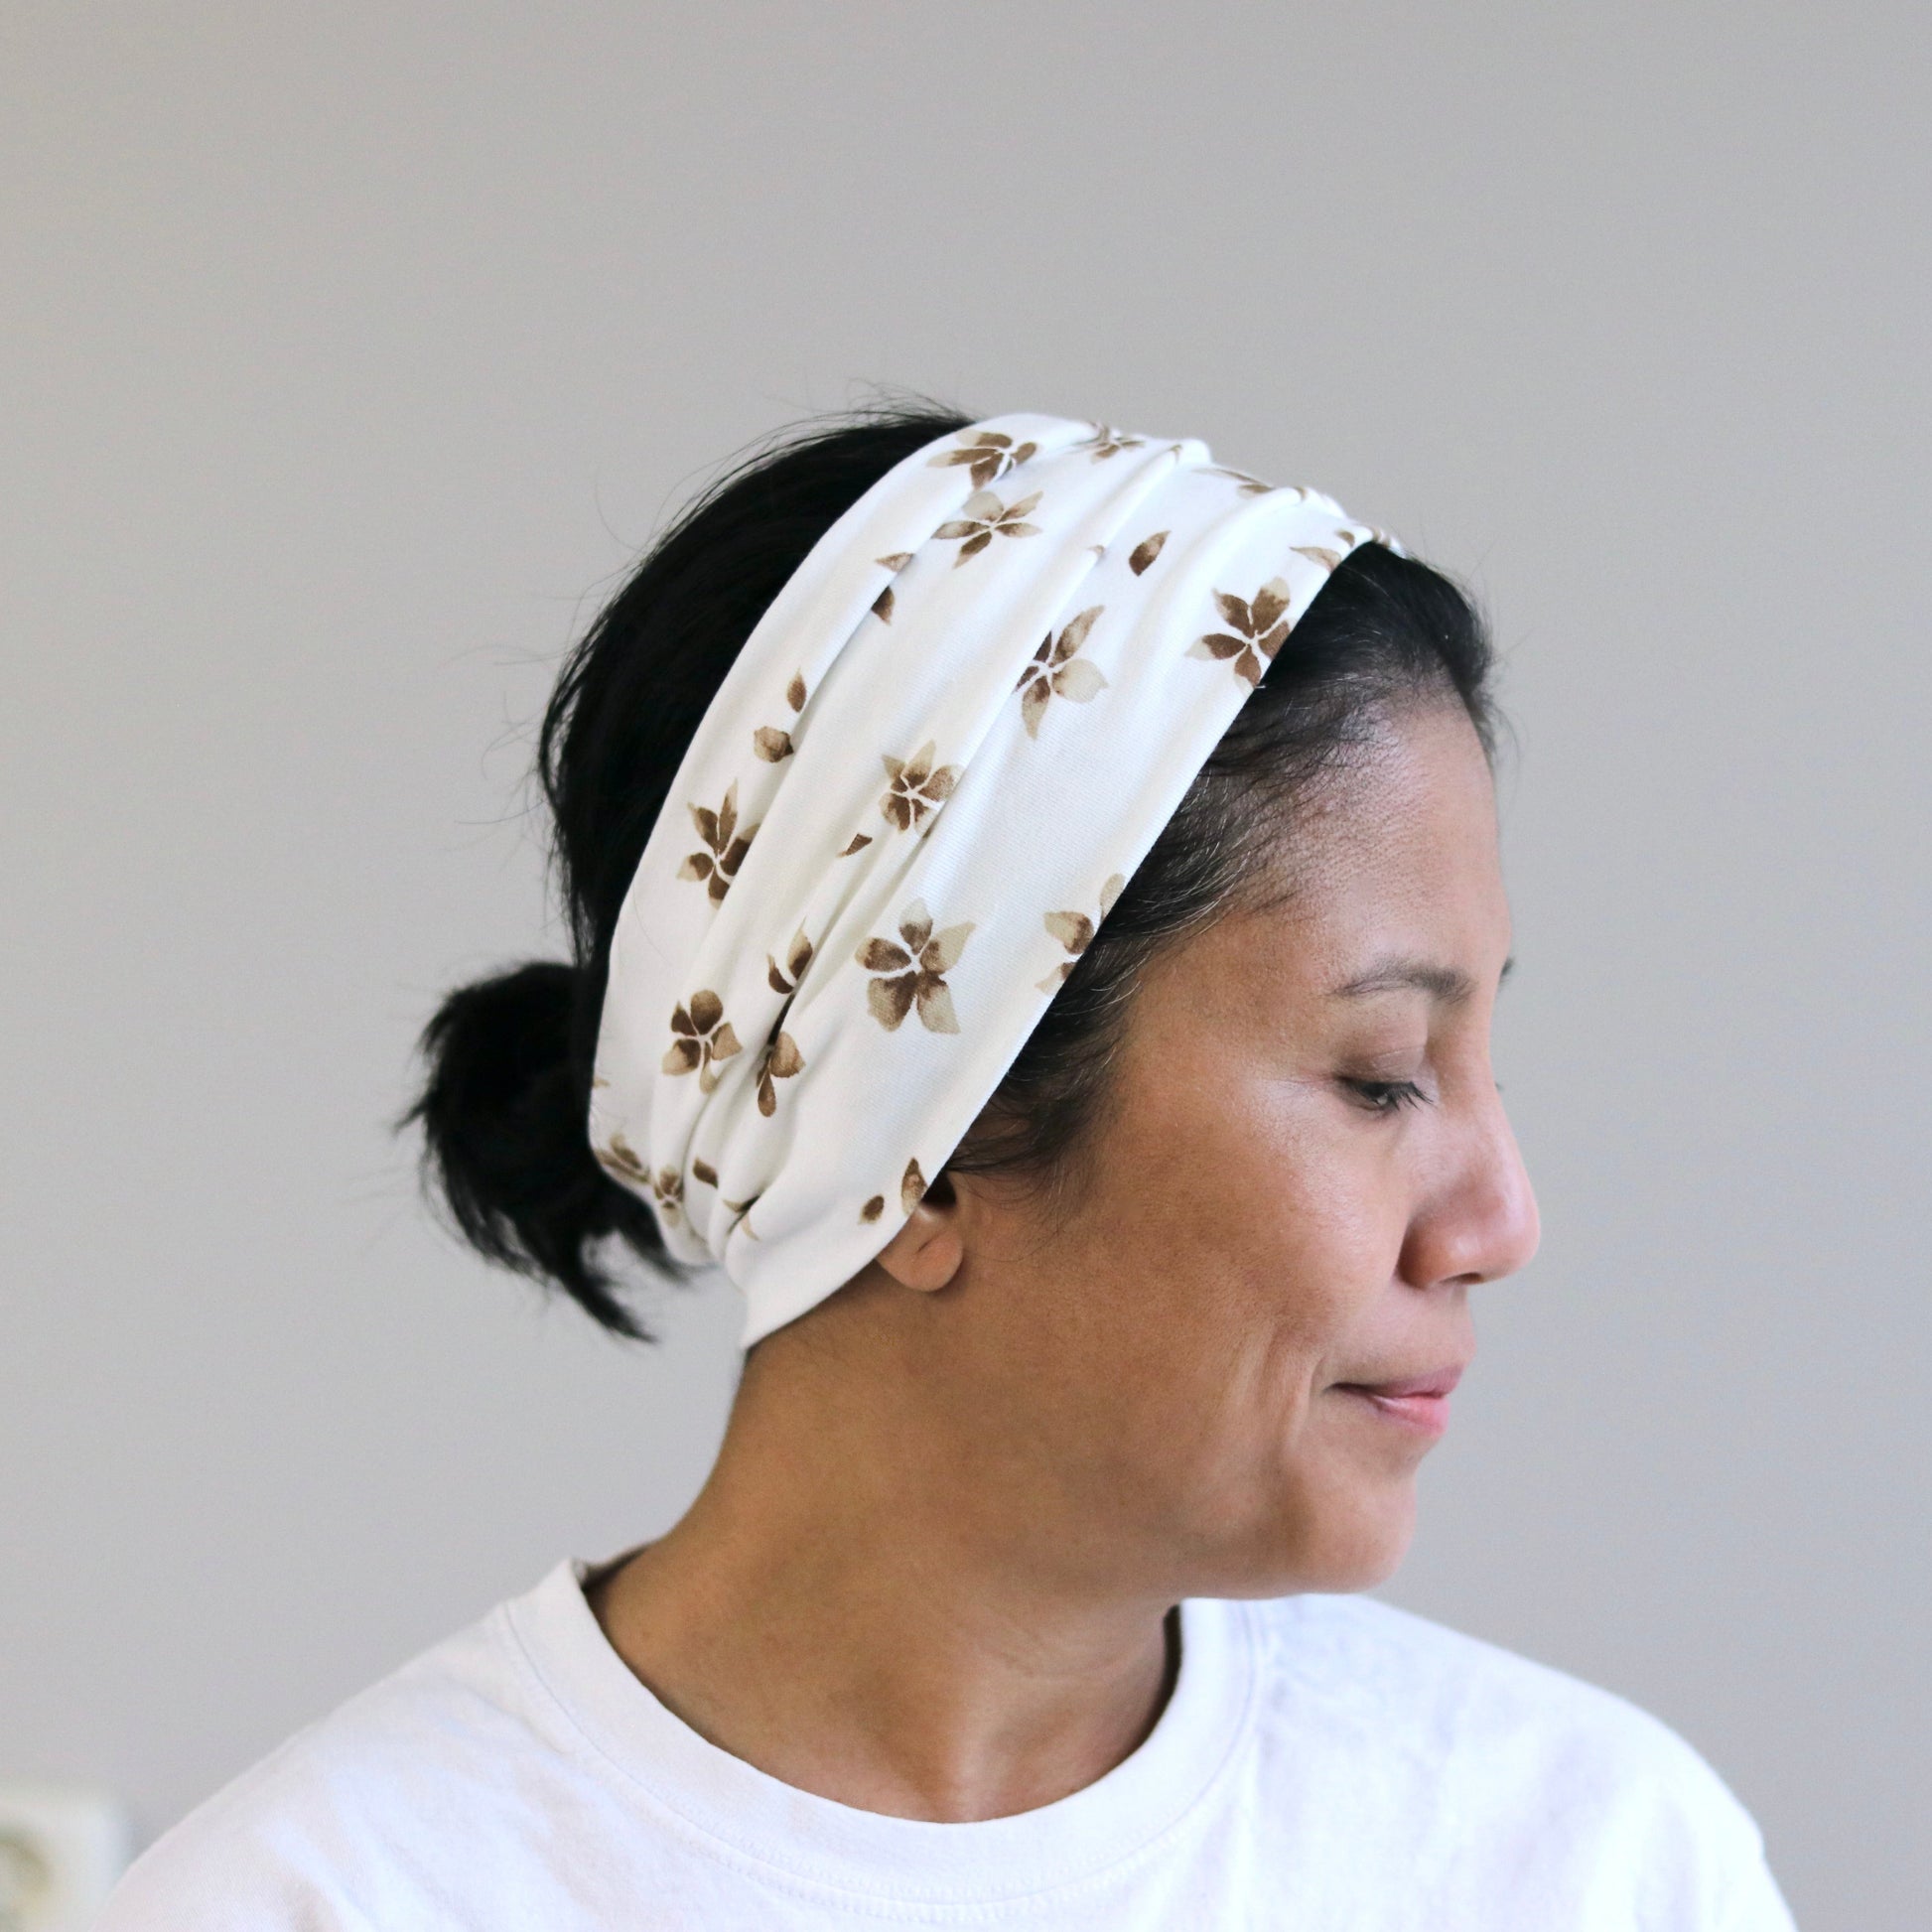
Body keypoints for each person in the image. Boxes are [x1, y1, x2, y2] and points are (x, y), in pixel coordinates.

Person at [100, 406, 1798, 1928]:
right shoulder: (321, 1900)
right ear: (917, 1150)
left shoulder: (1585, 1863)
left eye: (1476, 1060)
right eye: (1377, 1079)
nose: (1501, 1220)